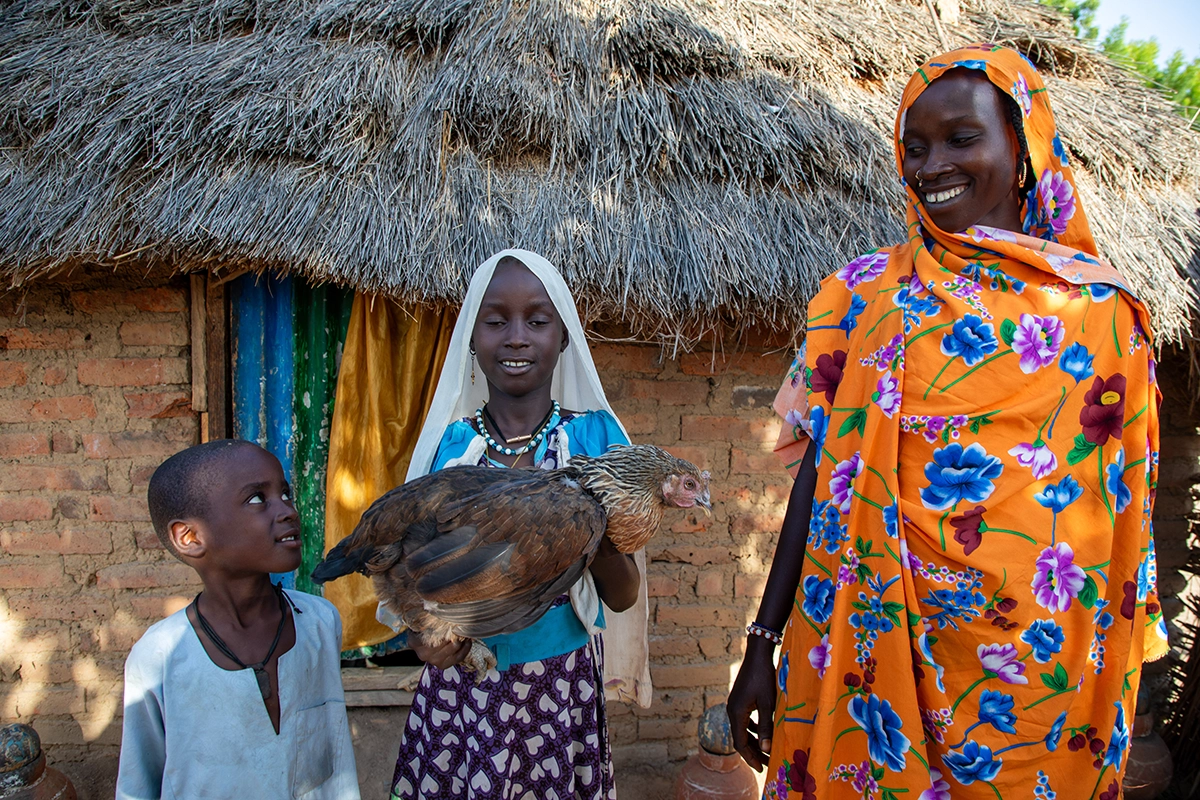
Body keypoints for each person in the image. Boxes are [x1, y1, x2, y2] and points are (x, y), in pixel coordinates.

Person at [728, 45, 1168, 799]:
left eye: (961, 139)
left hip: (1033, 685)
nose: (931, 166)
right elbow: (821, 477)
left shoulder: (1103, 318)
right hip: (863, 655)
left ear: (1024, 147)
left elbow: (1125, 516)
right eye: (914, 147)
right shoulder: (858, 297)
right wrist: (761, 646)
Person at [388, 249, 650, 800]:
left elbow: (624, 595)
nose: (515, 337)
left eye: (537, 320)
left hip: (558, 686)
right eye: (495, 320)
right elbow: (415, 577)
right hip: (463, 687)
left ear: (564, 337)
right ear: (471, 337)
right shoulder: (452, 449)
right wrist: (423, 638)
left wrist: (581, 519)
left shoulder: (596, 444)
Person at [116, 440, 360, 800]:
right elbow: (137, 787)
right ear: (190, 537)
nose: (289, 511)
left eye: (286, 494)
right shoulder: (159, 657)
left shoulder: (320, 623)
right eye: (257, 499)